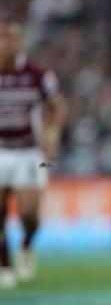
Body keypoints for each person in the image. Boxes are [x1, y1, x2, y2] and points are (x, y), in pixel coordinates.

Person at [0, 18, 65, 289]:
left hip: (28, 151)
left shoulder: (38, 75)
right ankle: (4, 263)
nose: (5, 44)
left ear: (19, 41)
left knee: (29, 214)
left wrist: (51, 136)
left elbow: (56, 106)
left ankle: (26, 244)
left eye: (10, 38)